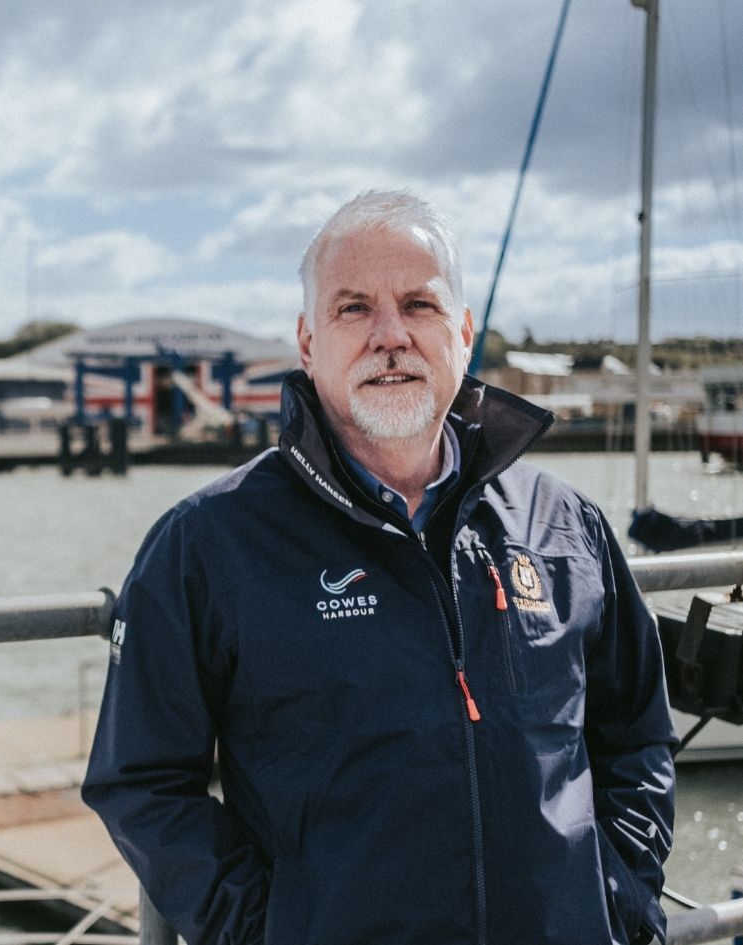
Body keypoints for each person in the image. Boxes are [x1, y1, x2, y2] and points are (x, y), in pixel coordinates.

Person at [82, 190, 677, 945]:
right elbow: (140, 780)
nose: (389, 334)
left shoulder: (565, 526)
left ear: (461, 334)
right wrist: (267, 932)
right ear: (307, 342)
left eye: (419, 305)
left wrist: (619, 899)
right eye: (353, 308)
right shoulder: (208, 544)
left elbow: (635, 733)